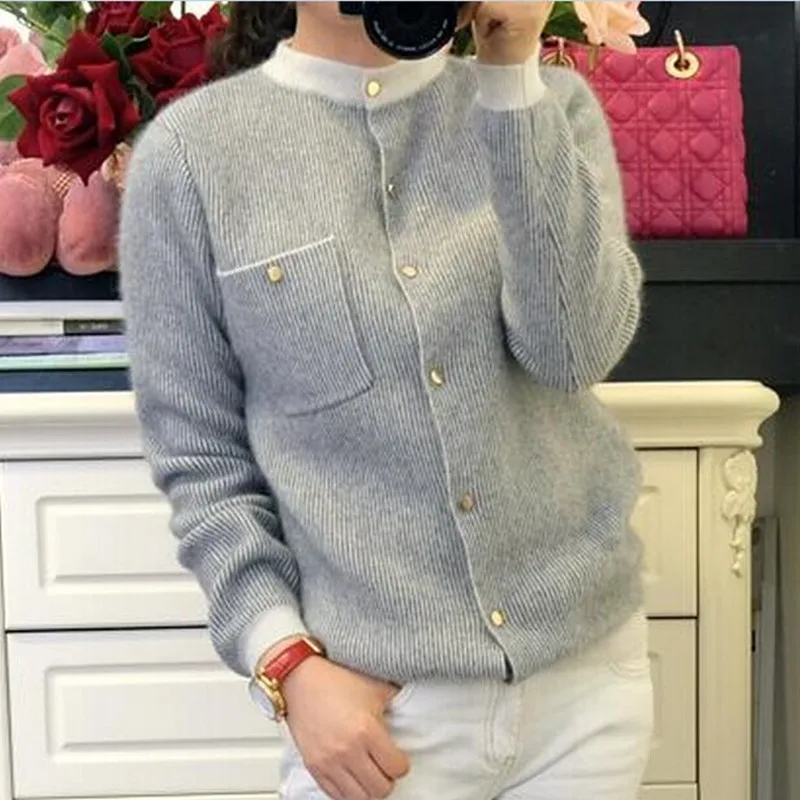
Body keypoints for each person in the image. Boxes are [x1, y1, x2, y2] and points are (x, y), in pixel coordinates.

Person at [119, 3, 653, 799]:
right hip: (375, 716)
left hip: (583, 695)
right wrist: (287, 665)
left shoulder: (549, 104)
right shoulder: (192, 158)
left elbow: (573, 353)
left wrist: (511, 73)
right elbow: (200, 460)